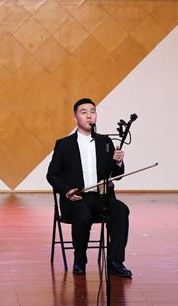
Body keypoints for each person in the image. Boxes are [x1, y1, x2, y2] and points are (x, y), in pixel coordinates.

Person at [46, 98, 131, 277]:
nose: (89, 115)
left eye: (92, 111)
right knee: (83, 215)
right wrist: (67, 191)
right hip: (75, 198)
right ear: (75, 118)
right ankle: (80, 258)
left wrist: (118, 161)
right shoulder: (64, 144)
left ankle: (115, 261)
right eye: (83, 112)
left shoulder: (105, 142)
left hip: (100, 198)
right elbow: (52, 175)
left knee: (121, 210)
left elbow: (116, 175)